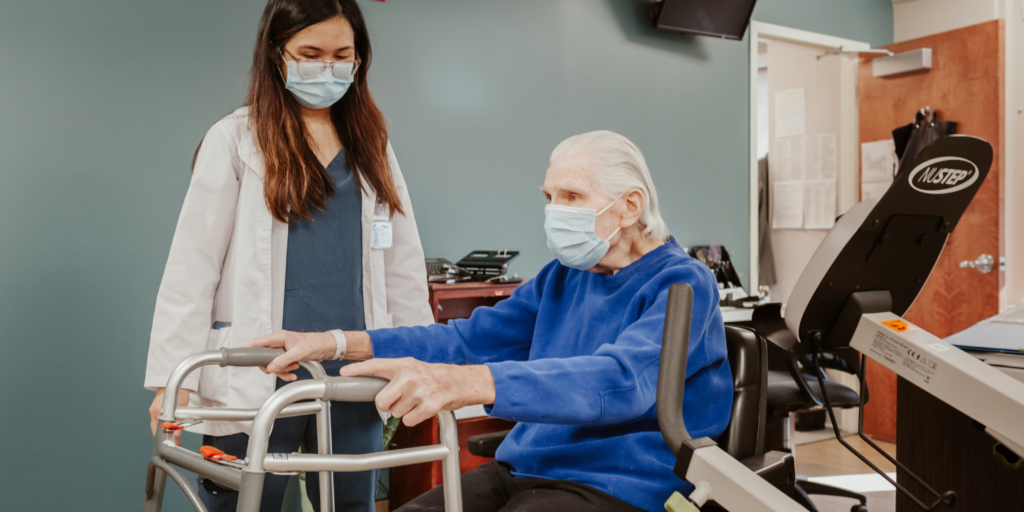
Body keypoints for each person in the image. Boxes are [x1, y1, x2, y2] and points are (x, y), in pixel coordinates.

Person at [249, 130, 733, 512]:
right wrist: (337, 343)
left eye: (571, 196)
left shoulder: (682, 284)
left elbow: (619, 381)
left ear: (629, 205)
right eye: (549, 196)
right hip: (529, 467)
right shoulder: (564, 277)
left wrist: (471, 383)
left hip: (623, 481)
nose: (553, 212)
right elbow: (468, 339)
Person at [144, 1, 434, 510]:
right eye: (310, 54)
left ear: (359, 58)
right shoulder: (235, 139)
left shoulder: (371, 142)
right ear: (278, 55)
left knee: (349, 504)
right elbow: (193, 267)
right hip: (259, 369)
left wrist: (420, 356)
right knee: (245, 503)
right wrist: (174, 380)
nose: (327, 68)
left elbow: (402, 263)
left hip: (353, 369)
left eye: (342, 55)